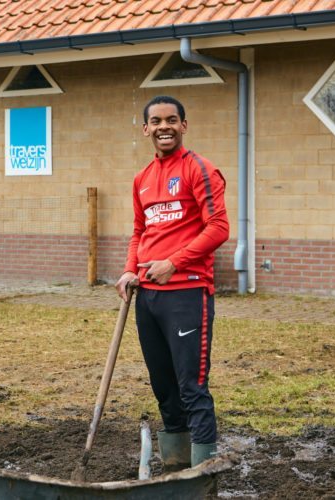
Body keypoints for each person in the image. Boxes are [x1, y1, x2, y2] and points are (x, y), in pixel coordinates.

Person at [115, 95, 229, 472]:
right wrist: (131, 268)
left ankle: (203, 472)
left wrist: (173, 263)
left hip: (186, 293)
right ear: (145, 128)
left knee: (191, 386)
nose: (164, 126)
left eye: (172, 120)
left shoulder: (200, 169)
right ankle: (177, 468)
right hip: (147, 297)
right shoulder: (142, 179)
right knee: (164, 388)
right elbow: (139, 230)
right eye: (156, 121)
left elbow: (219, 228)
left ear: (184, 125)